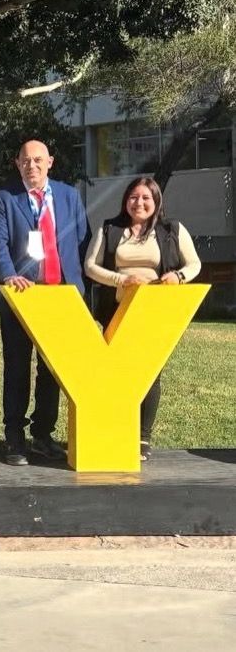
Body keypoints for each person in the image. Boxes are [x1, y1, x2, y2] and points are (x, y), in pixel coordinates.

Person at [0, 139, 90, 466]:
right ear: (17, 164)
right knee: (17, 367)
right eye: (25, 161)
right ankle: (14, 438)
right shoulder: (4, 197)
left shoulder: (69, 195)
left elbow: (81, 240)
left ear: (50, 162)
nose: (32, 166)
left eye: (38, 160)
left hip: (60, 296)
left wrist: (79, 287)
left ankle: (43, 434)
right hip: (22, 295)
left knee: (52, 370)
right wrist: (9, 275)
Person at [84, 176, 201, 461]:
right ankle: (115, 429)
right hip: (117, 312)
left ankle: (142, 438)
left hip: (154, 313)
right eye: (134, 197)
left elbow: (194, 264)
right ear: (126, 200)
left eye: (146, 197)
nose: (139, 203)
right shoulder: (109, 228)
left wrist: (178, 276)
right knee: (115, 373)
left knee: (149, 376)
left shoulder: (172, 229)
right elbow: (90, 266)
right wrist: (121, 279)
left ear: (156, 201)